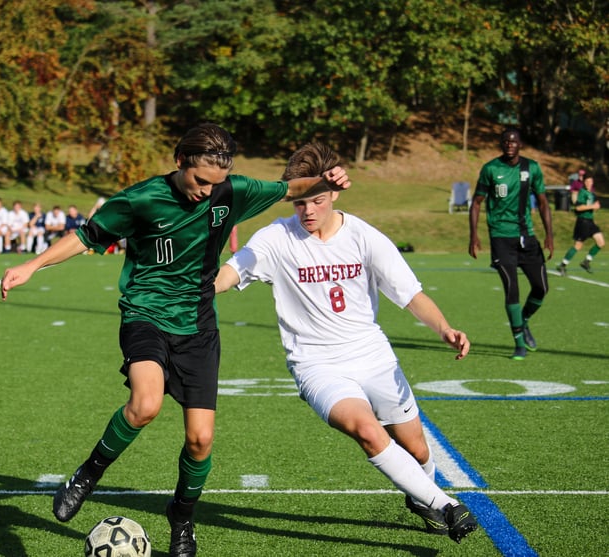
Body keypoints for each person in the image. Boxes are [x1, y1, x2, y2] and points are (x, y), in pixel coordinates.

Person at [0, 123, 350, 557]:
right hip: (145, 315)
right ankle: (88, 474)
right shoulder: (140, 199)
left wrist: (326, 180)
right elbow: (88, 236)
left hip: (199, 326)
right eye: (200, 180)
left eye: (216, 184)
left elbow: (288, 187)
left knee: (201, 440)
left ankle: (182, 517)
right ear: (179, 161)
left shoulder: (230, 191)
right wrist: (32, 266)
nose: (208, 191)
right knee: (145, 405)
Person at [215, 142, 478, 544]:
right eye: (300, 203)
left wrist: (444, 328)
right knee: (367, 430)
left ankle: (423, 497)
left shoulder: (364, 236)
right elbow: (230, 273)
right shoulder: (275, 238)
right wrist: (195, 287)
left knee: (418, 450)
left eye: (317, 201)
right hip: (316, 365)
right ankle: (446, 505)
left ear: (334, 193)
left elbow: (408, 293)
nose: (308, 211)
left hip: (372, 355)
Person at [469, 128, 553, 360]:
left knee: (541, 287)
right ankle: (519, 344)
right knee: (511, 287)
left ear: (520, 145)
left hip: (527, 236)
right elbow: (476, 203)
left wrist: (549, 235)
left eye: (514, 141)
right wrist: (473, 236)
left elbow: (544, 203)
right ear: (501, 144)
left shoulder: (532, 168)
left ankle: (523, 321)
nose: (509, 144)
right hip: (500, 237)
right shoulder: (490, 169)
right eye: (505, 141)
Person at [557, 172, 603, 275]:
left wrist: (597, 206)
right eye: (587, 181)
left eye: (590, 181)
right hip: (582, 222)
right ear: (584, 182)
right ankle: (563, 265)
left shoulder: (592, 193)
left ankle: (586, 262)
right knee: (578, 246)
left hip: (590, 222)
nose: (589, 183)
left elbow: (595, 205)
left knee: (601, 242)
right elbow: (578, 207)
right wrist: (592, 207)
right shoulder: (582, 192)